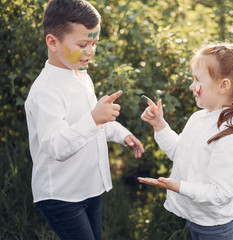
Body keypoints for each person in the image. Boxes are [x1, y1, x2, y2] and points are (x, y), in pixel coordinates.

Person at [24, 0, 144, 239]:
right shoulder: (46, 91)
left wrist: (122, 134)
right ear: (53, 42)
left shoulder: (80, 75)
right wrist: (93, 118)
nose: (90, 51)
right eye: (82, 44)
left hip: (88, 187)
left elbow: (94, 121)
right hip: (60, 194)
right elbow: (56, 146)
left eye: (94, 44)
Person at [138, 42, 233, 240]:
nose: (191, 86)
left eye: (197, 80)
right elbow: (180, 152)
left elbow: (220, 193)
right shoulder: (199, 118)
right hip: (197, 217)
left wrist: (179, 186)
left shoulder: (229, 135)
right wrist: (159, 125)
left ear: (223, 86)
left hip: (215, 226)